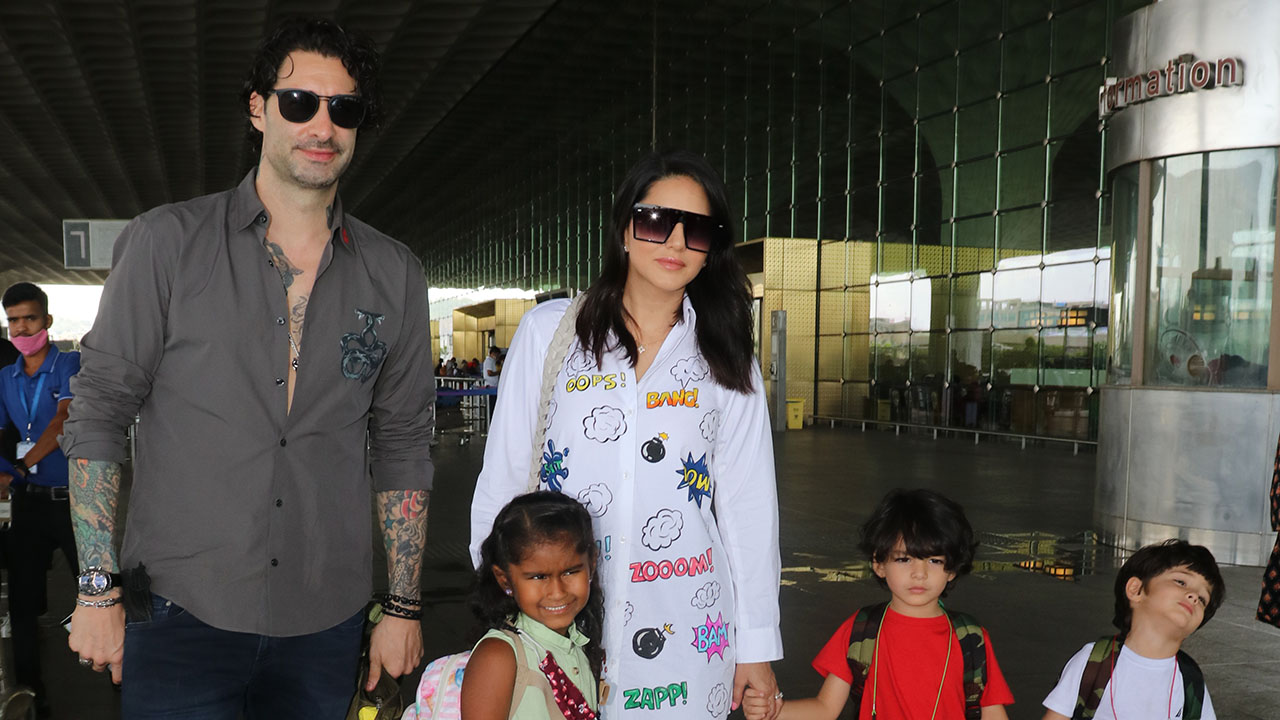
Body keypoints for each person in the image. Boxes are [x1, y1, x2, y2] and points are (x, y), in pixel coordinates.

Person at [61, 17, 435, 717]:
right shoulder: (164, 245)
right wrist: (95, 590)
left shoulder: (395, 274)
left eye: (344, 109)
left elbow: (404, 444)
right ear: (258, 108)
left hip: (327, 621)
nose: (322, 125)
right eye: (299, 102)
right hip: (179, 612)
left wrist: (404, 606)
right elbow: (100, 414)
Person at [470, 150, 782, 720]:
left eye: (698, 229)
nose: (676, 242)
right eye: (657, 221)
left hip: (690, 630)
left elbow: (747, 503)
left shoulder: (725, 352)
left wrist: (756, 647)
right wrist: (500, 607)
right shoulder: (551, 333)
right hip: (559, 625)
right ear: (625, 230)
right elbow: (507, 476)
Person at [746, 489, 1014, 720]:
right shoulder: (862, 631)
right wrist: (774, 710)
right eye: (903, 559)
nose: (919, 573)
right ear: (879, 564)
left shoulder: (970, 638)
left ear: (952, 568)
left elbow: (992, 713)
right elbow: (825, 708)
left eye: (934, 560)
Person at [0, 282, 80, 717]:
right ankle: (29, 693)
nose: (21, 327)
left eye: (29, 318)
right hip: (27, 502)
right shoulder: (4, 377)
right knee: (23, 604)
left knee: (99, 590)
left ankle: (124, 671)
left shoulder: (70, 363)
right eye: (13, 320)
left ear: (46, 321)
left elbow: (66, 418)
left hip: (73, 502)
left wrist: (22, 463)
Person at [456, 491, 603, 720]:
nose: (557, 592)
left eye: (570, 572)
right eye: (538, 577)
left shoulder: (580, 644)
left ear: (591, 564)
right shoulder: (499, 656)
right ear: (505, 580)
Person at [1041, 539, 1225, 720]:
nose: (1194, 597)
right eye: (1181, 582)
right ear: (1136, 590)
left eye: (1202, 599)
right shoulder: (1094, 661)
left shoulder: (1189, 679)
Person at [483, 346, 502, 416]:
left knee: (493, 406)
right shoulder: (489, 361)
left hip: (494, 386)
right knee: (491, 406)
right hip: (490, 386)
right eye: (497, 354)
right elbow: (489, 373)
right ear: (493, 353)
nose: (497, 356)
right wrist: (498, 372)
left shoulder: (493, 361)